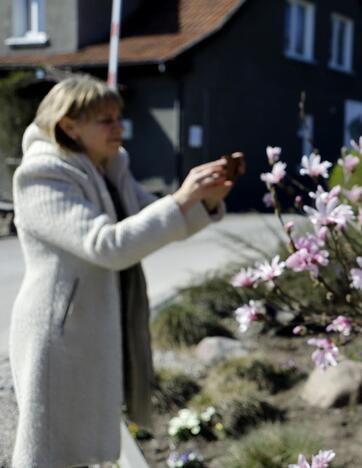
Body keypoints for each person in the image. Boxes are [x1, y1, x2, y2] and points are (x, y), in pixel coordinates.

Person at [9, 75, 243, 467]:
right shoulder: (42, 176)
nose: (120, 127)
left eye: (119, 117)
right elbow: (108, 245)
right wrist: (182, 199)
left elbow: (150, 220)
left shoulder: (109, 168)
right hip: (58, 333)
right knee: (49, 450)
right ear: (69, 126)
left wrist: (202, 202)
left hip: (93, 327)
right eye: (106, 120)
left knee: (83, 448)